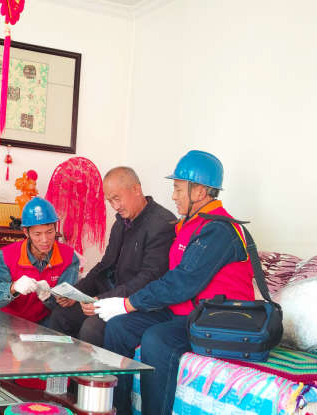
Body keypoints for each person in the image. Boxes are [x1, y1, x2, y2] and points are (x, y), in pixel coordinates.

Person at [94, 151, 255, 415]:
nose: (173, 196)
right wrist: (126, 307)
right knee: (119, 327)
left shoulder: (218, 230)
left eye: (178, 189)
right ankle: (118, 411)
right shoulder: (190, 225)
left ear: (199, 191)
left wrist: (128, 303)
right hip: (185, 311)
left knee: (157, 339)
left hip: (217, 317)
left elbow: (181, 282)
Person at [48, 166, 176, 347]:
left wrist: (103, 300)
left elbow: (149, 278)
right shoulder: (121, 222)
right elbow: (104, 265)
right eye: (110, 201)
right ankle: (61, 366)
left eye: (118, 199)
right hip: (111, 295)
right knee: (61, 315)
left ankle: (87, 367)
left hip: (135, 303)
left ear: (136, 189)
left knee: (92, 328)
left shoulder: (162, 223)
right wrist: (75, 293)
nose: (115, 207)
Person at [0, 197, 80, 326]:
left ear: (55, 228)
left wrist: (49, 294)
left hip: (46, 324)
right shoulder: (6, 255)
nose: (45, 240)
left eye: (49, 232)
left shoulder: (69, 257)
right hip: (8, 323)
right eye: (37, 234)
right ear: (26, 232)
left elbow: (65, 304)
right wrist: (13, 287)